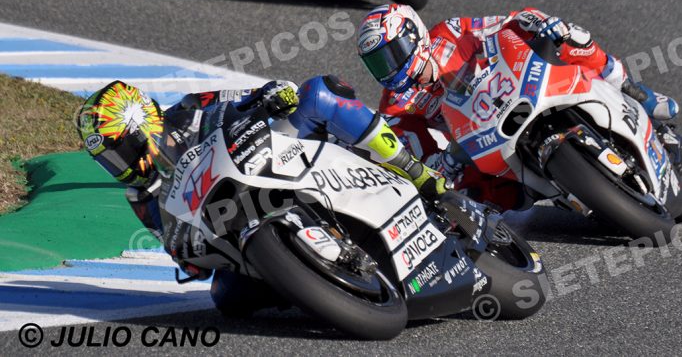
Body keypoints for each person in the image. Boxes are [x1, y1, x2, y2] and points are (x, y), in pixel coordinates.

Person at [76, 76, 443, 316]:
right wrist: (188, 255)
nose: (118, 163)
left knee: (317, 94)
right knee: (226, 298)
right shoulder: (142, 197)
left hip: (272, 161)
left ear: (141, 123)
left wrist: (271, 94)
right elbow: (181, 256)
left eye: (120, 148)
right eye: (108, 159)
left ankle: (411, 168)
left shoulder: (190, 107)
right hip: (232, 229)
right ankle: (315, 282)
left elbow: (254, 94)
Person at [356, 3, 680, 209]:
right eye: (377, 64)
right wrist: (443, 164)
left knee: (569, 39)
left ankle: (629, 87)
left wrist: (540, 24)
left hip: (517, 88)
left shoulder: (450, 33)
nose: (388, 68)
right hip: (481, 140)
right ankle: (561, 188)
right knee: (475, 196)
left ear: (414, 36)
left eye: (392, 53)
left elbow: (507, 24)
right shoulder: (396, 107)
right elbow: (416, 155)